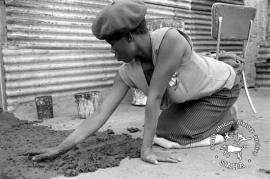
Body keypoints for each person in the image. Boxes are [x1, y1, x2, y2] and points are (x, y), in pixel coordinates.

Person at [27, 0, 241, 165]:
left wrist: (145, 150)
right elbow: (100, 113)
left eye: (113, 44)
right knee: (162, 131)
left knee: (176, 135)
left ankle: (228, 118)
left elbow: (155, 98)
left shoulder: (170, 40)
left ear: (129, 37)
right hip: (189, 97)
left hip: (221, 88)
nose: (113, 52)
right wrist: (60, 148)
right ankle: (208, 117)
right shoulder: (126, 72)